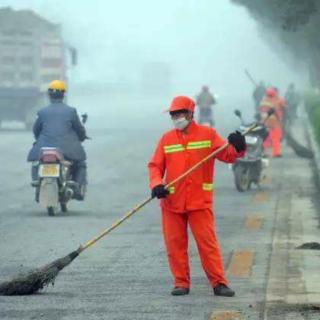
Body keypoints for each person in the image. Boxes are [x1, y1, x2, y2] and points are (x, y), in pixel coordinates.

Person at [148, 95, 246, 297]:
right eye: (173, 114)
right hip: (172, 203)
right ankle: (181, 283)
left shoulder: (207, 135)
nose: (176, 117)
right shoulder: (167, 139)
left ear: (191, 113)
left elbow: (228, 155)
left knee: (207, 244)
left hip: (199, 202)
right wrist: (157, 184)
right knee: (175, 245)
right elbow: (155, 166)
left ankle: (219, 283)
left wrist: (238, 146)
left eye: (180, 113)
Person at [27, 80, 88, 200]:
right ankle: (76, 186)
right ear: (63, 95)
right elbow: (79, 130)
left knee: (36, 162)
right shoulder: (71, 111)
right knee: (81, 164)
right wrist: (81, 137)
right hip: (67, 149)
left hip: (44, 147)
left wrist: (40, 140)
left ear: (49, 95)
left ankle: (36, 181)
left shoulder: (42, 112)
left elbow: (36, 131)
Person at [259, 87, 283, 158]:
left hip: (265, 121)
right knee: (276, 137)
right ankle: (276, 153)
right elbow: (276, 111)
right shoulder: (274, 101)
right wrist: (280, 118)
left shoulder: (263, 101)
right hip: (274, 122)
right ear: (274, 94)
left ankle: (263, 152)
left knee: (266, 137)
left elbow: (260, 109)